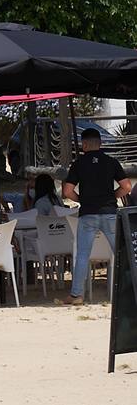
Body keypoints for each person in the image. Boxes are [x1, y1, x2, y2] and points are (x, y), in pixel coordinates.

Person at [62, 127, 133, 304]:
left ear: (84, 144)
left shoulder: (78, 164)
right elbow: (127, 187)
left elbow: (67, 190)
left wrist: (82, 200)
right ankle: (132, 289)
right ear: (100, 143)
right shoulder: (111, 162)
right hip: (109, 213)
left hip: (88, 214)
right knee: (123, 253)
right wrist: (112, 196)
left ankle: (77, 294)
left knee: (83, 254)